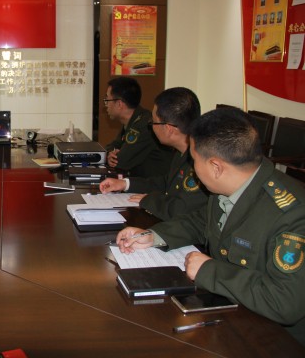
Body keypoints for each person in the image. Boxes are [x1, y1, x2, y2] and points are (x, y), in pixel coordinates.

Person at [115, 107, 305, 345]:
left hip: (275, 340)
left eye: (194, 161)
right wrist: (155, 236)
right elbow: (202, 220)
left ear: (216, 167)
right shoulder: (233, 184)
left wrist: (209, 271)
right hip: (231, 314)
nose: (193, 169)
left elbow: (284, 302)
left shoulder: (292, 214)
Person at [99, 87, 208, 220]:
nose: (151, 127)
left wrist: (149, 200)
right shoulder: (181, 151)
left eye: (153, 122)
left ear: (169, 129)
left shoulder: (201, 160)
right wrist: (124, 183)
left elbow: (182, 209)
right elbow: (165, 182)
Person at [103, 77, 173, 177]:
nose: (106, 104)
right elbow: (114, 145)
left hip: (154, 183)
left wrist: (111, 157)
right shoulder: (134, 120)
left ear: (119, 104)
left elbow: (121, 161)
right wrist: (110, 154)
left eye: (107, 100)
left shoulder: (143, 125)